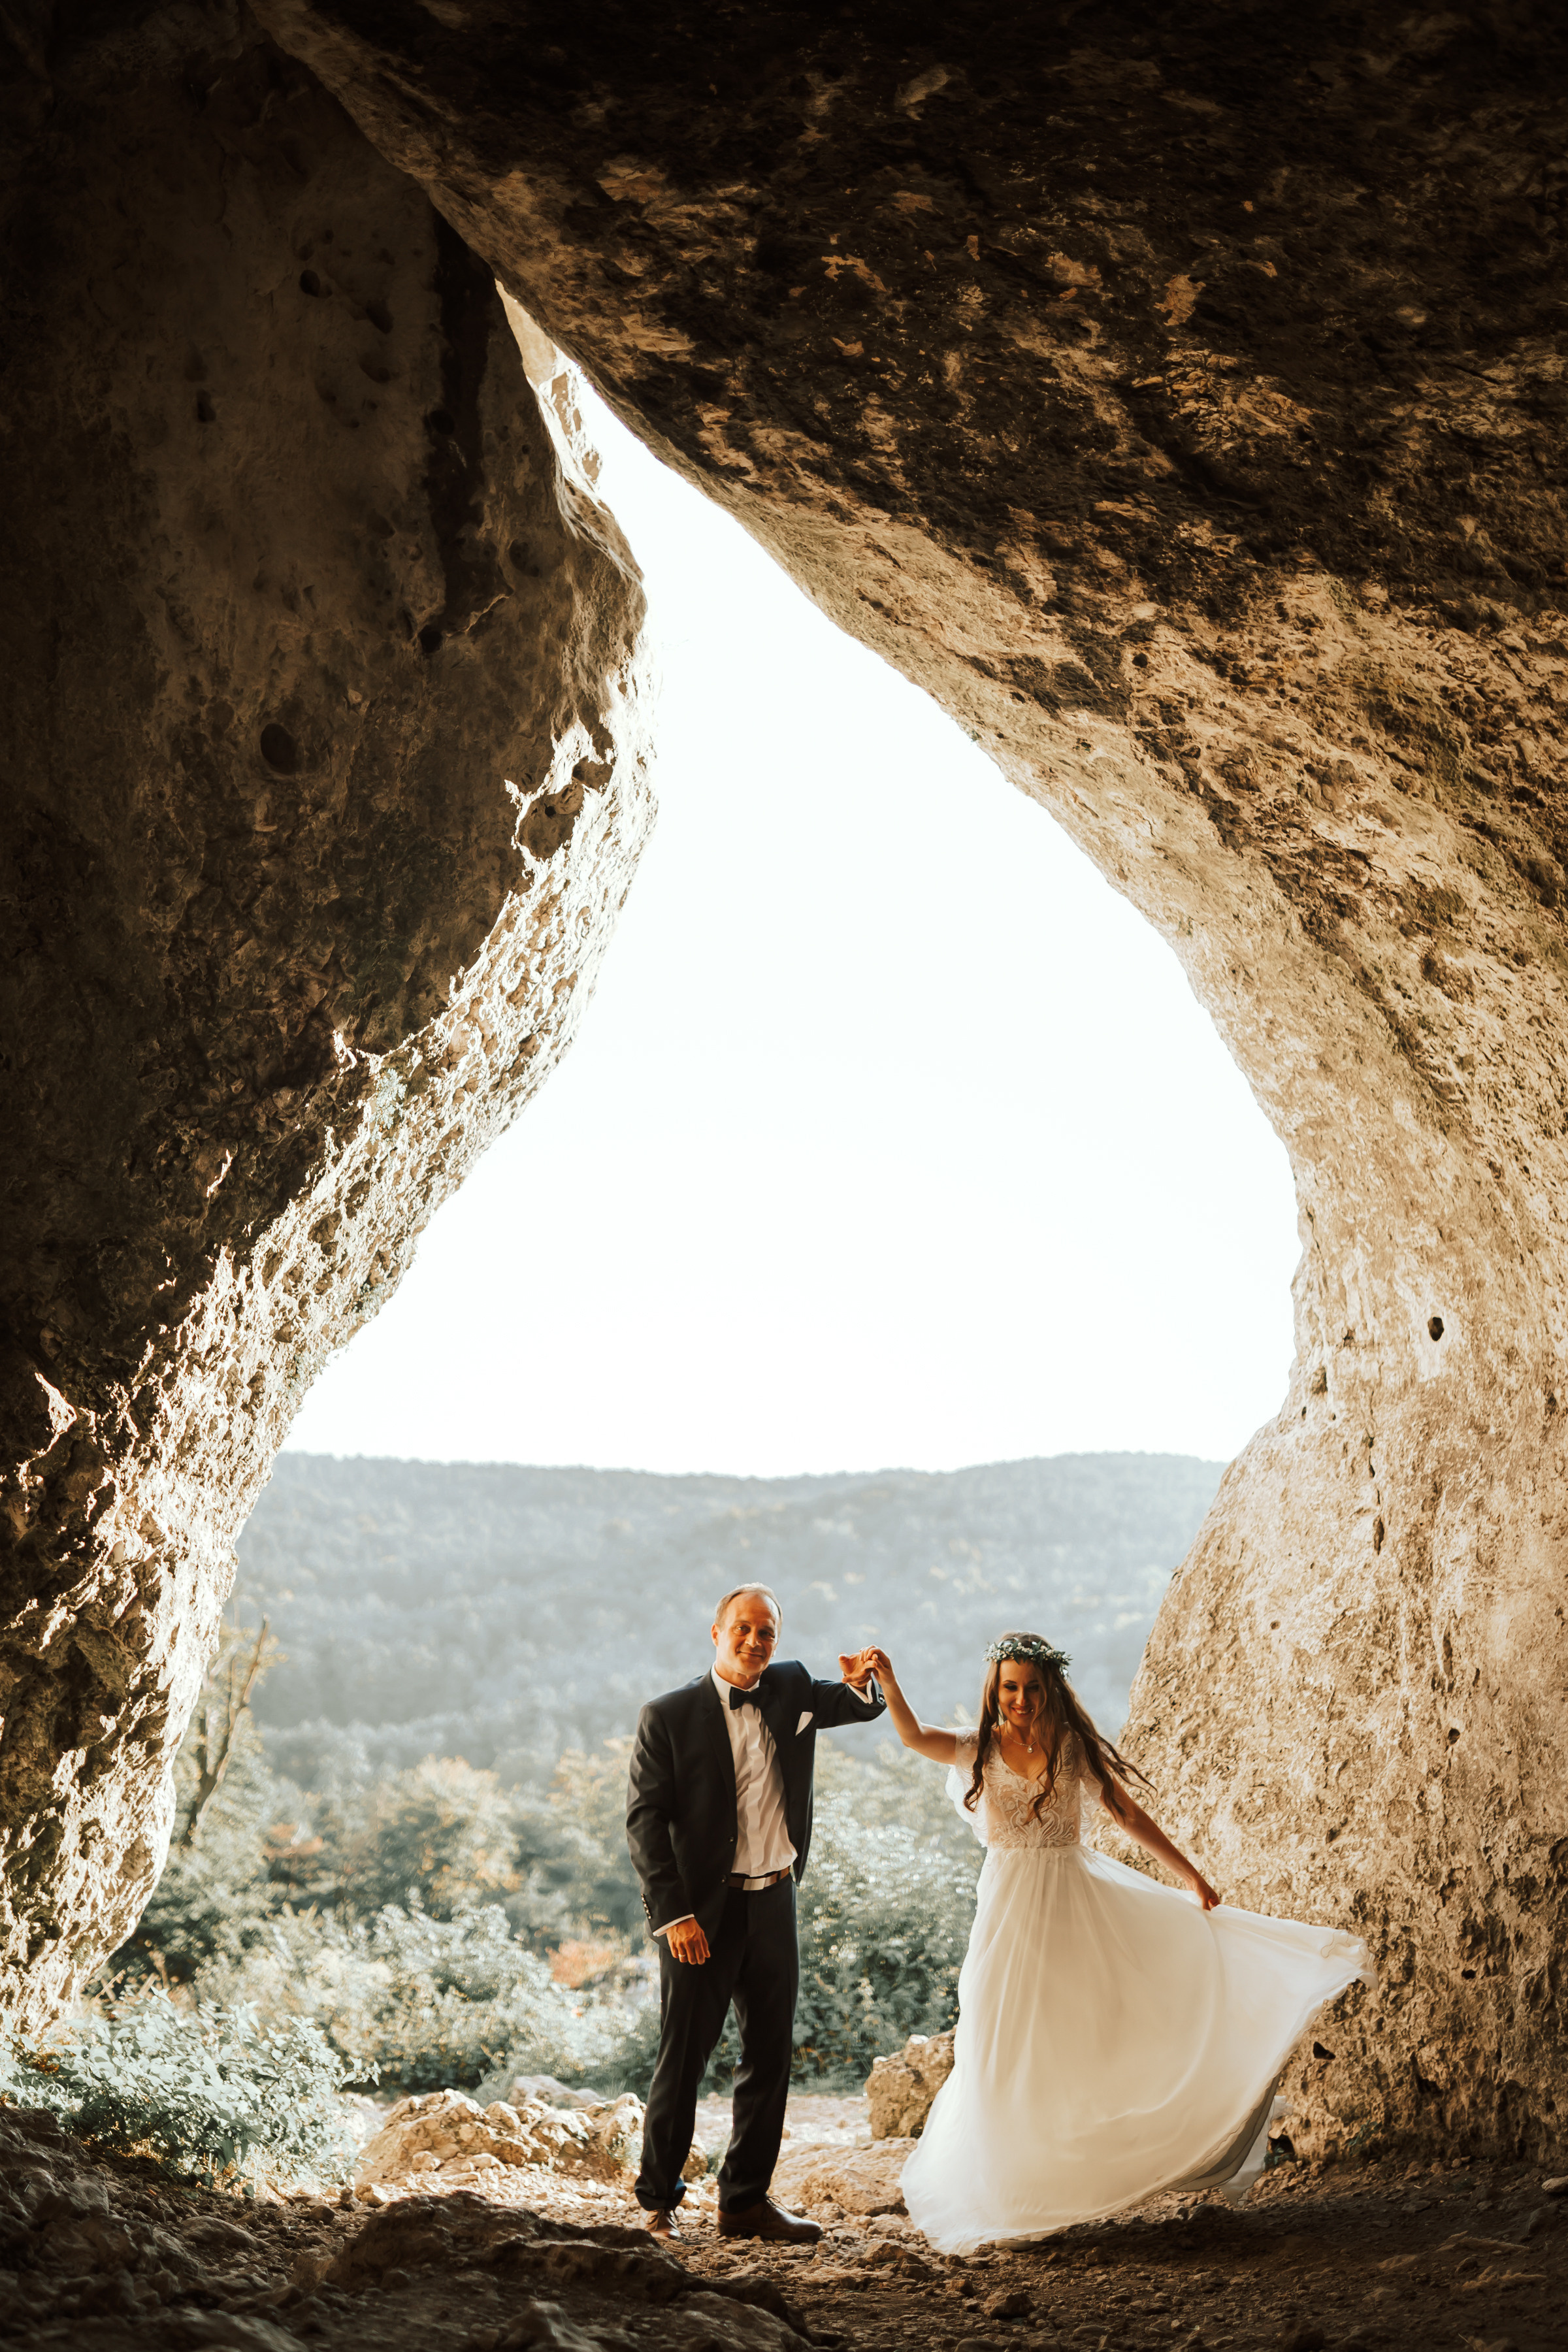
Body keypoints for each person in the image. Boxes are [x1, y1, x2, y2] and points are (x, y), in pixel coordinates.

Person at [869, 1633, 1371, 2252]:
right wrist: (888, 1682)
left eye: (1032, 1687)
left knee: (1080, 2036)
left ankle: (1088, 2172)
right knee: (1000, 2041)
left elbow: (1124, 1813)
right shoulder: (978, 1748)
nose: (1021, 1699)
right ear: (995, 1690)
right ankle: (1009, 2195)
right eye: (1010, 1687)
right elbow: (914, 1737)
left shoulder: (1072, 1747)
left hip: (1074, 1904)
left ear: (1050, 1688)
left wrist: (1190, 1875)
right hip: (1008, 1911)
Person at [626, 1584, 886, 2242]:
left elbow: (857, 1707)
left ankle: (743, 2203)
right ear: (716, 1632)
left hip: (775, 1899)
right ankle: (658, 2202)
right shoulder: (668, 1715)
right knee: (684, 2058)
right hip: (700, 1915)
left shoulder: (792, 1685)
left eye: (766, 1631)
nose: (754, 1641)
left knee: (769, 2057)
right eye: (742, 1628)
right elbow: (645, 1823)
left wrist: (864, 1682)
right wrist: (674, 1914)